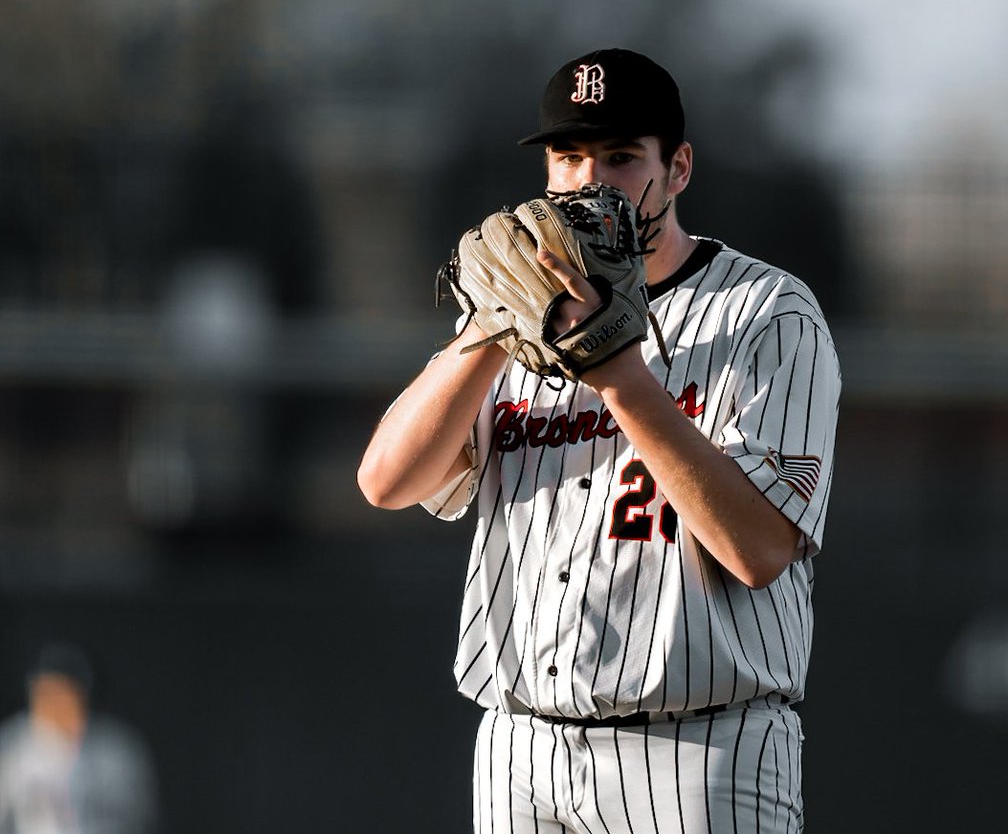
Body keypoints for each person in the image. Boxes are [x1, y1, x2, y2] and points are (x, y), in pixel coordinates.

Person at [357, 48, 841, 833]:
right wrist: (486, 325)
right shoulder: (510, 317)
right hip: (521, 750)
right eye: (569, 155)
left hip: (698, 752)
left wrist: (620, 375)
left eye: (620, 156)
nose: (589, 180)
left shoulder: (768, 313)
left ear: (677, 167)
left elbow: (757, 548)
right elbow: (386, 481)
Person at [0, 641, 161, 834]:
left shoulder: (118, 750)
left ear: (84, 696)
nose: (53, 702)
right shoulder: (13, 744)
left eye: (64, 693)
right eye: (44, 693)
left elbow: (142, 819)